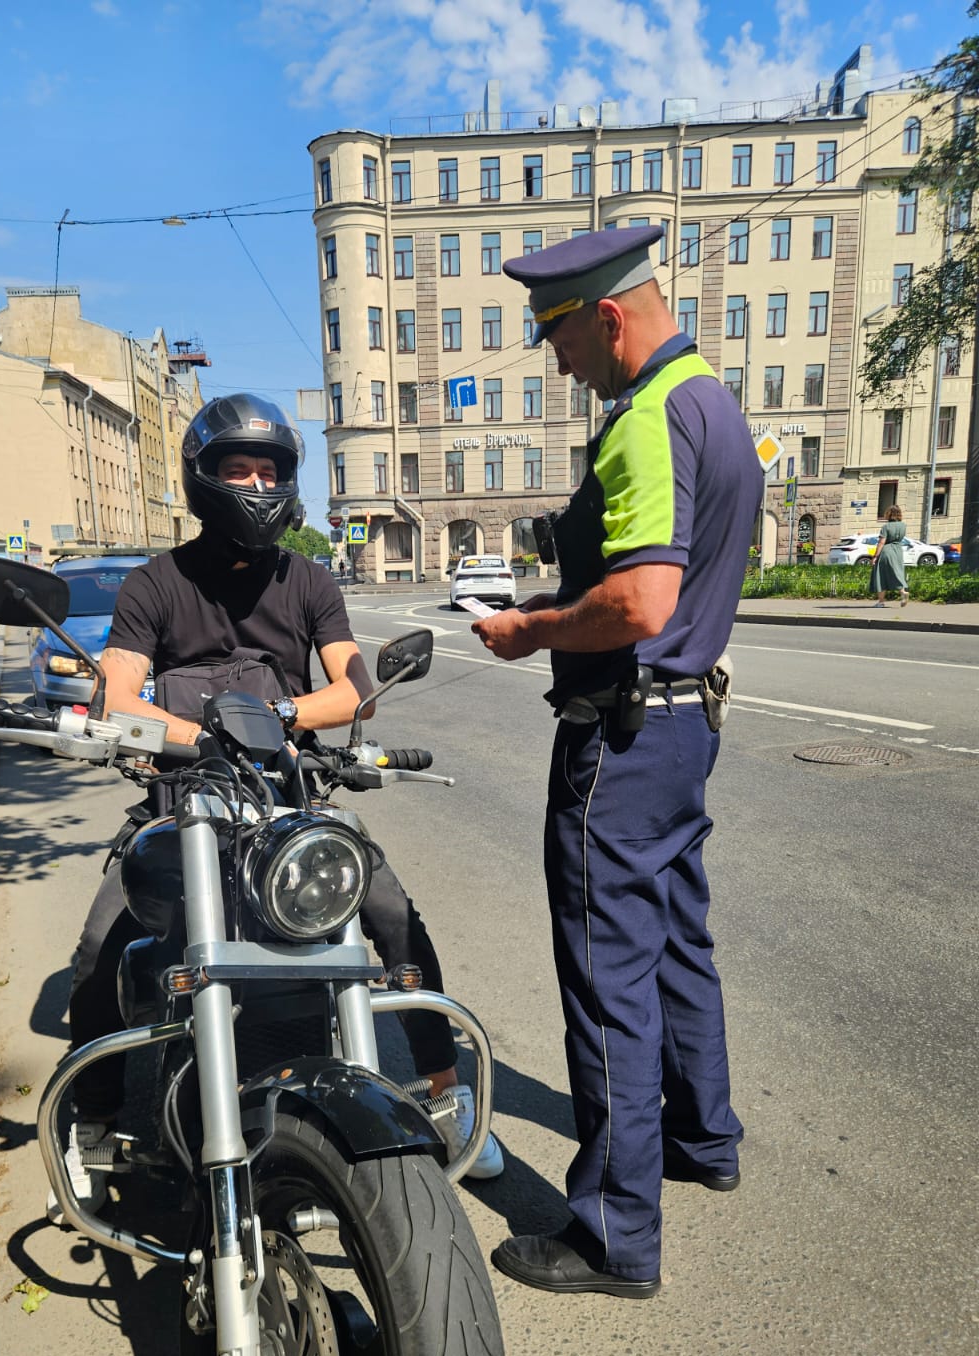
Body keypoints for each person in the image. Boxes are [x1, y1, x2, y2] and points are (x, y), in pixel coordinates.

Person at [61, 393, 502, 1212]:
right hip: (183, 797)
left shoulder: (309, 580)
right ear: (204, 479)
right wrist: (203, 735)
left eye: (270, 472)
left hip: (286, 797)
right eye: (239, 470)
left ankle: (445, 1089)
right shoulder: (156, 583)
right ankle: (95, 1120)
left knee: (392, 913)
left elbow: (354, 689)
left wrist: (277, 718)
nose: (257, 486)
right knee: (98, 947)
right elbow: (116, 697)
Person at [470, 230, 762, 1297]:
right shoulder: (715, 404)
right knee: (679, 942)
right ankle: (702, 1137)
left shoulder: (645, 417)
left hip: (623, 743)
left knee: (609, 980)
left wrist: (531, 630)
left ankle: (612, 1235)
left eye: (557, 338)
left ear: (607, 317)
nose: (558, 364)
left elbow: (641, 601)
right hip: (685, 729)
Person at [869, 505, 909, 607]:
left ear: (889, 514)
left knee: (880, 575)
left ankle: (881, 601)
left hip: (886, 551)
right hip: (898, 551)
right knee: (897, 572)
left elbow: (881, 542)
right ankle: (902, 592)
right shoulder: (903, 526)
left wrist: (875, 556)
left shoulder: (886, 527)